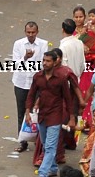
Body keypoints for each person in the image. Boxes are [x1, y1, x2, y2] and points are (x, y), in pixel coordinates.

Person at [26, 49, 81, 177]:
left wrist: (72, 118)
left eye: (48, 61)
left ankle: (43, 173)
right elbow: (31, 94)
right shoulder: (38, 77)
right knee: (46, 145)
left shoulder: (61, 79)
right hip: (42, 116)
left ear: (55, 62)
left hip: (55, 116)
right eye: (43, 60)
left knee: (50, 147)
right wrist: (27, 112)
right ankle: (53, 169)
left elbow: (68, 99)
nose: (45, 63)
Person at [12, 22, 48, 154]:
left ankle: (39, 142)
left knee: (37, 113)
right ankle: (22, 142)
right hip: (21, 83)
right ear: (25, 32)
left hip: (36, 85)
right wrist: (25, 57)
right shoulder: (18, 44)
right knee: (21, 112)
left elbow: (45, 64)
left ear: (37, 32)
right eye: (28, 32)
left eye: (33, 33)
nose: (31, 35)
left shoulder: (43, 44)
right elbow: (15, 64)